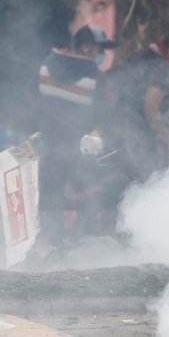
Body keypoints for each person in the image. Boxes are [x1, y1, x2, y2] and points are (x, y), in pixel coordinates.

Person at [33, 24, 113, 245]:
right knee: (91, 193)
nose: (102, 55)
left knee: (50, 197)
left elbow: (33, 104)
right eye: (99, 49)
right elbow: (104, 116)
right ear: (86, 48)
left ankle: (53, 245)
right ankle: (80, 242)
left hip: (49, 146)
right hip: (80, 151)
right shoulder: (97, 77)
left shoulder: (46, 65)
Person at [98, 30, 169, 182]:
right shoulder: (162, 68)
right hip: (136, 136)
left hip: (113, 129)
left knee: (120, 183)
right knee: (145, 181)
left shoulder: (140, 56)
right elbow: (150, 110)